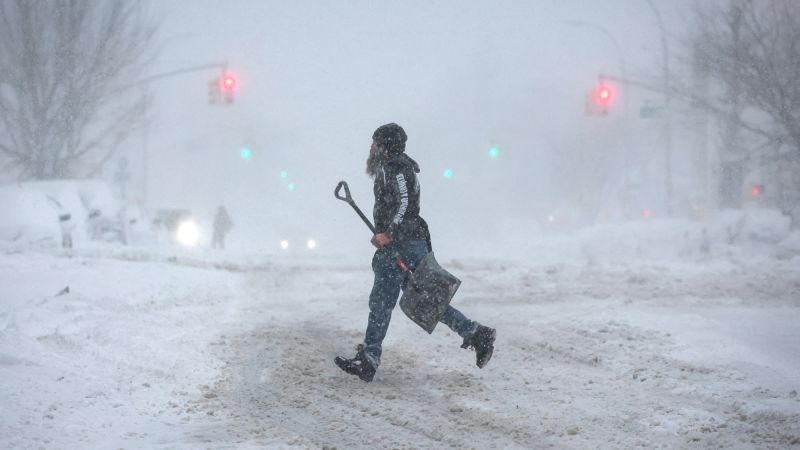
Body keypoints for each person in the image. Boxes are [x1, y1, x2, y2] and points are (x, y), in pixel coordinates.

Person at [335, 123, 496, 382]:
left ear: (385, 147)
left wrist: (388, 234)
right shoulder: (391, 168)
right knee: (425, 299)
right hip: (405, 241)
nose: (371, 148)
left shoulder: (397, 169)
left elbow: (405, 204)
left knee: (383, 302)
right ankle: (476, 333)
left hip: (403, 244)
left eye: (375, 143)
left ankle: (369, 359)